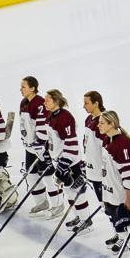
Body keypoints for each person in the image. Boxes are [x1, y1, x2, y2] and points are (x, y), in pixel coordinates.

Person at [42, 89, 90, 221]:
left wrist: (64, 163)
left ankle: (85, 220)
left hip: (70, 162)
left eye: (48, 100)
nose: (44, 102)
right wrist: (47, 152)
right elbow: (52, 138)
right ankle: (78, 218)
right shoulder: (51, 115)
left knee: (76, 191)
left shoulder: (65, 117)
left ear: (56, 101)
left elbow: (71, 143)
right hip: (59, 161)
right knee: (69, 192)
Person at [96, 111, 130, 255]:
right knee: (111, 214)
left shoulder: (123, 144)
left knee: (124, 221)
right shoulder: (107, 140)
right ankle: (121, 236)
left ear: (112, 124)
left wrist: (128, 197)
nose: (99, 125)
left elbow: (129, 174)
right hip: (109, 189)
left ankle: (128, 242)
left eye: (102, 123)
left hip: (120, 193)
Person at [18, 76, 51, 216]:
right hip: (30, 147)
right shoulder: (24, 103)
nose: (21, 89)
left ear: (32, 88)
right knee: (31, 175)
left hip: (41, 147)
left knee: (48, 176)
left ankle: (58, 204)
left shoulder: (39, 103)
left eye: (24, 86)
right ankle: (41, 202)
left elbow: (43, 127)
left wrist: (41, 144)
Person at [81, 90, 110, 229]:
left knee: (110, 206)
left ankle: (127, 235)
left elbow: (107, 149)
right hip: (93, 171)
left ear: (96, 103)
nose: (83, 106)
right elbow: (88, 144)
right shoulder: (89, 120)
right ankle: (119, 234)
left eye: (86, 103)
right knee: (104, 205)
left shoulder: (102, 122)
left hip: (101, 174)